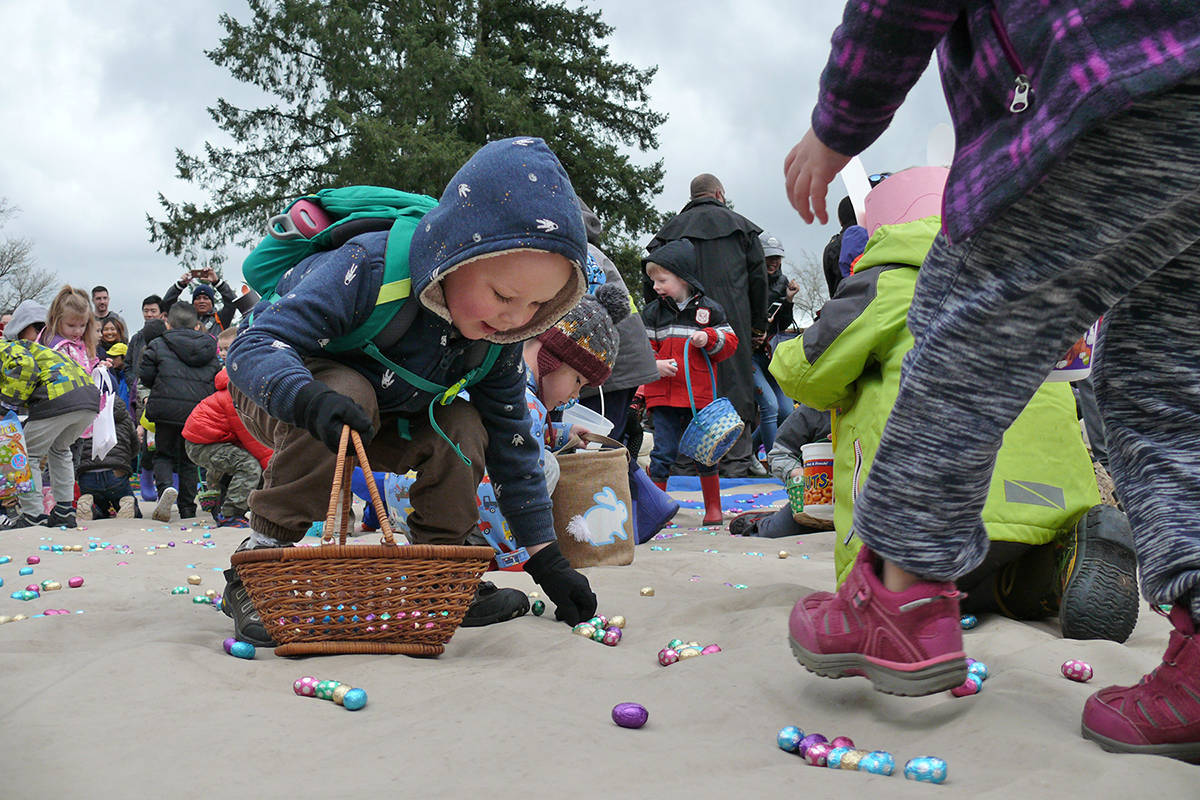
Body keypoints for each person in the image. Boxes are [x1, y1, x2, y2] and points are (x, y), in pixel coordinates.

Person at [781, 1, 1200, 760]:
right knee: (1170, 383)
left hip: (1106, 86)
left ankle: (902, 597)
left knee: (962, 332)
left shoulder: (878, 285)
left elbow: (814, 368)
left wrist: (838, 123)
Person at [223, 137, 599, 647]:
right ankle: (258, 566)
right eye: (503, 295)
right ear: (456, 255)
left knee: (466, 426)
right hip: (287, 394)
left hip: (388, 417)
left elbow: (515, 447)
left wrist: (546, 559)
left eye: (536, 305)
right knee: (349, 390)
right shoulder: (369, 267)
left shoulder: (497, 341)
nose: (514, 318)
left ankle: (440, 579)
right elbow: (252, 345)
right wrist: (305, 399)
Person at [773, 171, 1136, 642]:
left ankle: (905, 598)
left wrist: (785, 345)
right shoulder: (1027, 286)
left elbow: (806, 374)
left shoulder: (887, 281)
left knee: (909, 572)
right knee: (1012, 573)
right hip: (1050, 505)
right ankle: (1057, 570)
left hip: (934, 516)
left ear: (880, 228)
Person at [648, 173, 768, 478]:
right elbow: (758, 282)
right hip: (733, 322)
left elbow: (652, 283)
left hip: (676, 324)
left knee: (684, 387)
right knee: (735, 386)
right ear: (719, 194)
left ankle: (682, 463)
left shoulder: (669, 233)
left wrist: (657, 319)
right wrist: (757, 328)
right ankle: (736, 461)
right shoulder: (742, 228)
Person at [640, 238, 739, 526]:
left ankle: (713, 509)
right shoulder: (652, 313)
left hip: (699, 398)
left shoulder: (710, 311)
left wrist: (709, 337)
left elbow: (730, 344)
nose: (655, 286)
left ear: (682, 277)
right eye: (653, 280)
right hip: (664, 399)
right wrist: (654, 366)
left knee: (707, 452)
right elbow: (644, 349)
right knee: (662, 454)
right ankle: (657, 511)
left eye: (661, 279)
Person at [0, 301, 100, 529]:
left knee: (28, 455)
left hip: (59, 398)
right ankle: (64, 510)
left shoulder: (10, 346)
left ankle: (33, 514)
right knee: (60, 449)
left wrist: (7, 406)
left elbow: (23, 366)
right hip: (87, 398)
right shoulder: (46, 349)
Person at [140, 301, 220, 522]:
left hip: (165, 408)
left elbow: (145, 375)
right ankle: (187, 508)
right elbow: (215, 376)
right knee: (188, 460)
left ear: (168, 323)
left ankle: (165, 489)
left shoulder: (158, 344)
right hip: (196, 410)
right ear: (196, 324)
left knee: (163, 453)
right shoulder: (209, 346)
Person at [183, 363, 272, 528]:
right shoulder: (236, 399)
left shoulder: (238, 394)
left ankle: (221, 503)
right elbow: (251, 438)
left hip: (214, 440)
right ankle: (230, 514)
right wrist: (272, 468)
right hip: (202, 445)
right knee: (249, 466)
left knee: (244, 464)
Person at [729, 403, 832, 538]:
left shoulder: (866, 409)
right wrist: (798, 473)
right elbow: (780, 454)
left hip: (860, 496)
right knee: (778, 531)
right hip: (819, 497)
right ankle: (762, 521)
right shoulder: (812, 409)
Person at [751, 233, 797, 459]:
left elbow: (784, 322)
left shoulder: (783, 282)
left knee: (787, 411)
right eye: (768, 257)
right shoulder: (747, 281)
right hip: (749, 355)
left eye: (777, 257)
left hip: (772, 355)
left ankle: (749, 450)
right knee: (769, 406)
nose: (773, 262)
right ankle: (774, 463)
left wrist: (789, 300)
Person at [75, 377, 140, 522]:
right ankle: (126, 503)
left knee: (100, 509)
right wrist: (125, 460)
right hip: (116, 472)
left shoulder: (82, 412)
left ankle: (91, 506)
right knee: (127, 503)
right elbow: (134, 445)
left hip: (87, 473)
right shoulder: (122, 414)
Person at [40, 286, 100, 374]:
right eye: (71, 325)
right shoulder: (55, 347)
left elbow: (92, 363)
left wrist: (99, 367)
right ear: (56, 320)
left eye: (83, 325)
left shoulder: (84, 342)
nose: (78, 331)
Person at [162, 268, 237, 336]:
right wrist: (179, 285)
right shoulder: (184, 318)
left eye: (206, 298)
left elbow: (232, 302)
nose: (202, 301)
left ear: (212, 302)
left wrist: (217, 282)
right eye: (198, 298)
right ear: (193, 302)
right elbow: (167, 306)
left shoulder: (220, 318)